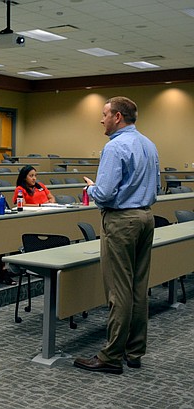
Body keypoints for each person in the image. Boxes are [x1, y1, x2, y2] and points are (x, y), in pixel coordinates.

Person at [74, 96, 159, 374]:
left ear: (118, 117)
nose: (101, 119)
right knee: (137, 286)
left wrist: (91, 189)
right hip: (146, 217)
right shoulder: (149, 144)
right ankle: (134, 351)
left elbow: (106, 194)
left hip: (122, 221)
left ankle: (110, 356)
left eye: (104, 114)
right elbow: (156, 184)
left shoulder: (115, 147)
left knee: (118, 289)